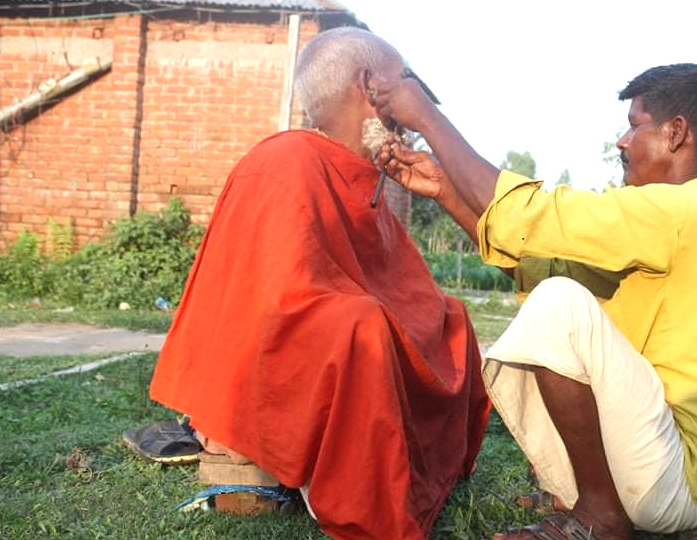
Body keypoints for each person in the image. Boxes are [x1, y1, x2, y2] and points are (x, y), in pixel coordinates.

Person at [374, 63, 697, 539]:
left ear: (676, 133)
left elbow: (530, 220)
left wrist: (425, 116)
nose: (622, 142)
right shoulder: (693, 216)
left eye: (633, 125)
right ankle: (596, 498)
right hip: (690, 478)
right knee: (559, 293)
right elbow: (544, 266)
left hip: (687, 484)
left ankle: (601, 517)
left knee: (557, 305)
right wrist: (446, 191)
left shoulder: (684, 211)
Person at [147, 27, 491, 540]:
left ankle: (423, 468)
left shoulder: (364, 171)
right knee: (361, 326)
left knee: (451, 317)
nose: (411, 115)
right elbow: (281, 299)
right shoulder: (285, 160)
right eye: (404, 88)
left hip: (346, 316)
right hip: (293, 344)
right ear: (369, 87)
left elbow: (394, 281)